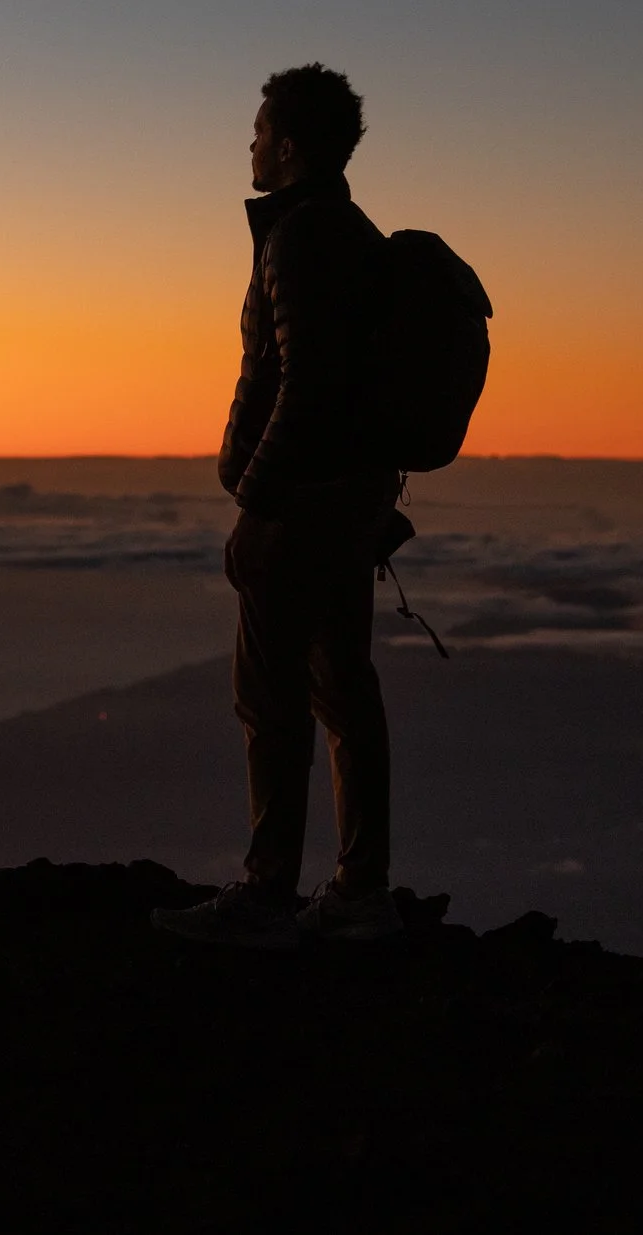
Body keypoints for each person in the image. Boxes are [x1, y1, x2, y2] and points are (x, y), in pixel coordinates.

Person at [155, 64, 404, 948]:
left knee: (272, 701)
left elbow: (304, 384)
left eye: (260, 132)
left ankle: (268, 893)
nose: (250, 146)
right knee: (344, 692)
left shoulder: (300, 238)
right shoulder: (352, 232)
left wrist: (256, 501)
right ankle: (359, 894)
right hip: (349, 503)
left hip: (301, 511)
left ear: (289, 146)